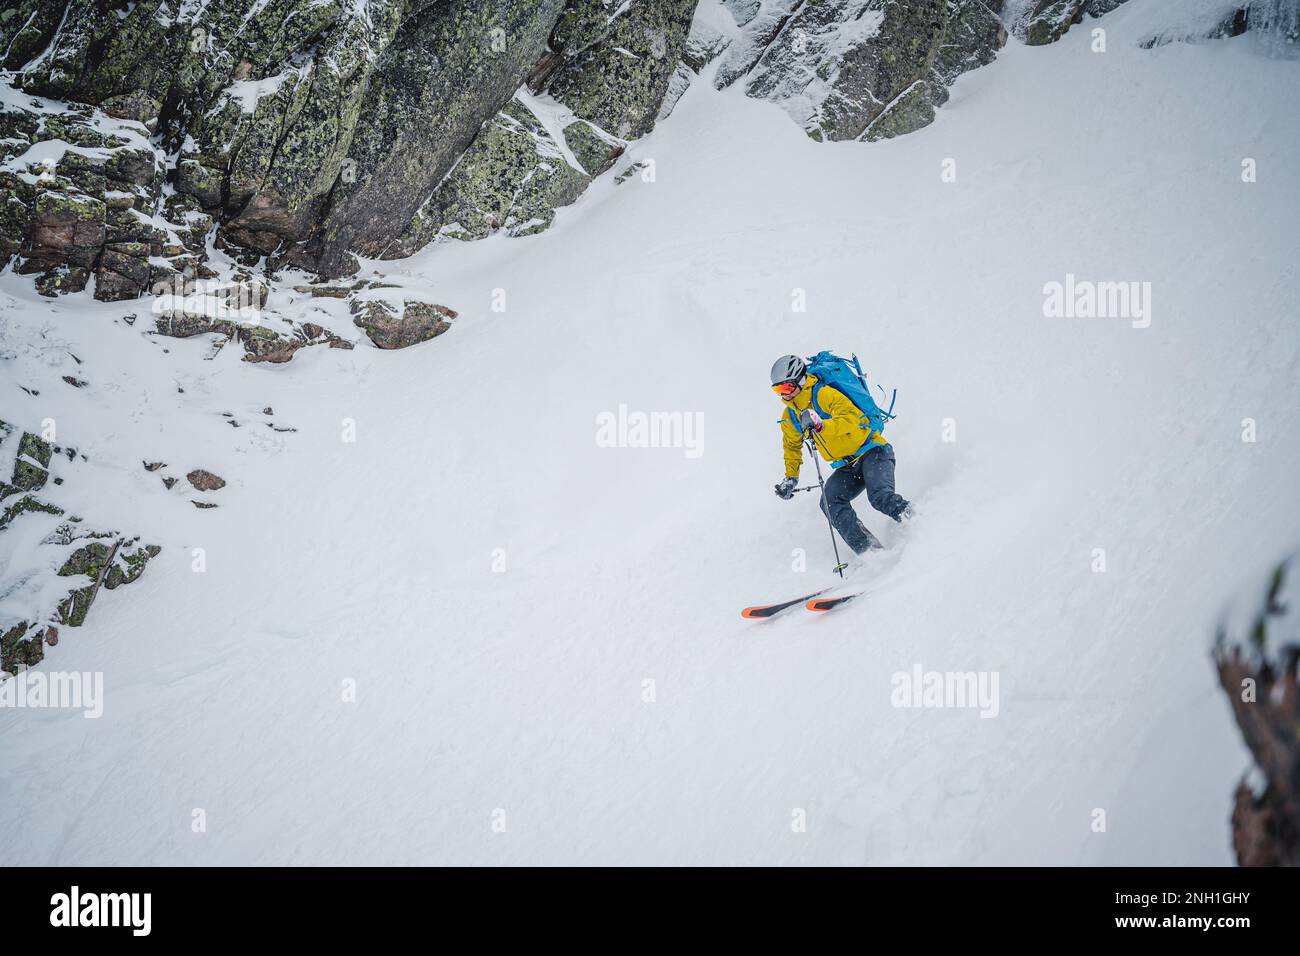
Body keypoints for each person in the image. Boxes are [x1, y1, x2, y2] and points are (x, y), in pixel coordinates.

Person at [771, 354, 911, 554]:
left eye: (787, 388)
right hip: (847, 467)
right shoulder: (790, 416)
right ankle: (872, 553)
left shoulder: (823, 395)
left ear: (801, 380)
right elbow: (791, 447)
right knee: (829, 502)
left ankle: (918, 519)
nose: (783, 395)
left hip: (873, 451)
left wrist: (821, 425)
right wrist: (791, 478)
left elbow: (852, 419)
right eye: (778, 390)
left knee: (879, 497)